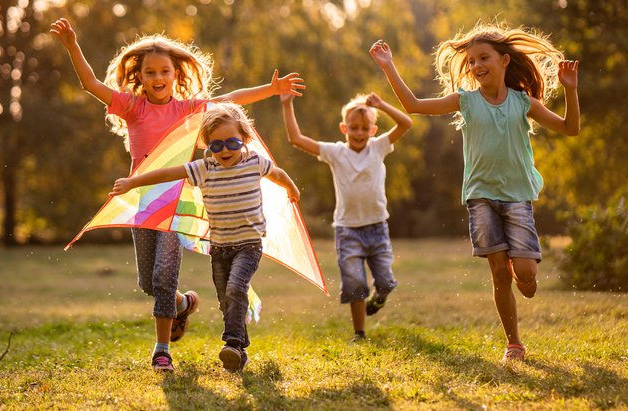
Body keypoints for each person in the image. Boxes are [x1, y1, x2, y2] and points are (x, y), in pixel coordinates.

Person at [50, 18, 305, 372]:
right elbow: (91, 84)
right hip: (142, 204)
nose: (158, 78)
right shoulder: (132, 107)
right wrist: (72, 46)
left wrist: (270, 89)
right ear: (139, 76)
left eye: (164, 71)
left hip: (175, 203)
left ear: (175, 74)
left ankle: (162, 350)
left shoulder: (187, 110)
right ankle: (184, 304)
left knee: (164, 277)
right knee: (148, 283)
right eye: (150, 72)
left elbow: (229, 100)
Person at [369, 23, 580, 362]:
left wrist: (570, 89)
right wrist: (387, 65)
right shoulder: (465, 101)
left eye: (484, 57)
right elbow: (413, 105)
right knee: (499, 272)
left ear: (504, 61)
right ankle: (514, 343)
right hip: (480, 196)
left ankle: (522, 273)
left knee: (525, 277)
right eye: (471, 61)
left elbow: (571, 128)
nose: (477, 65)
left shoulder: (522, 102)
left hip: (517, 197)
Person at [110, 102, 300, 372]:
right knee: (226, 300)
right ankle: (240, 351)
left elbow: (277, 173)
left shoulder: (255, 162)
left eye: (232, 143)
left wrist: (291, 189)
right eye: (216, 145)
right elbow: (167, 173)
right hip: (219, 248)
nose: (225, 151)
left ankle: (232, 344)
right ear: (208, 147)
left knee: (236, 289)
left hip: (249, 246)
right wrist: (133, 182)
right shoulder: (205, 168)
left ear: (244, 140)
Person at [280, 92, 411, 341]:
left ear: (373, 129)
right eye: (353, 128)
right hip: (347, 230)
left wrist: (382, 105)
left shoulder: (379, 147)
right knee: (354, 284)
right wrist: (287, 104)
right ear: (344, 128)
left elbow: (406, 123)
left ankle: (380, 298)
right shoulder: (336, 152)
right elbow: (296, 139)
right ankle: (359, 333)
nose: (359, 133)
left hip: (377, 227)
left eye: (364, 128)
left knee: (385, 282)